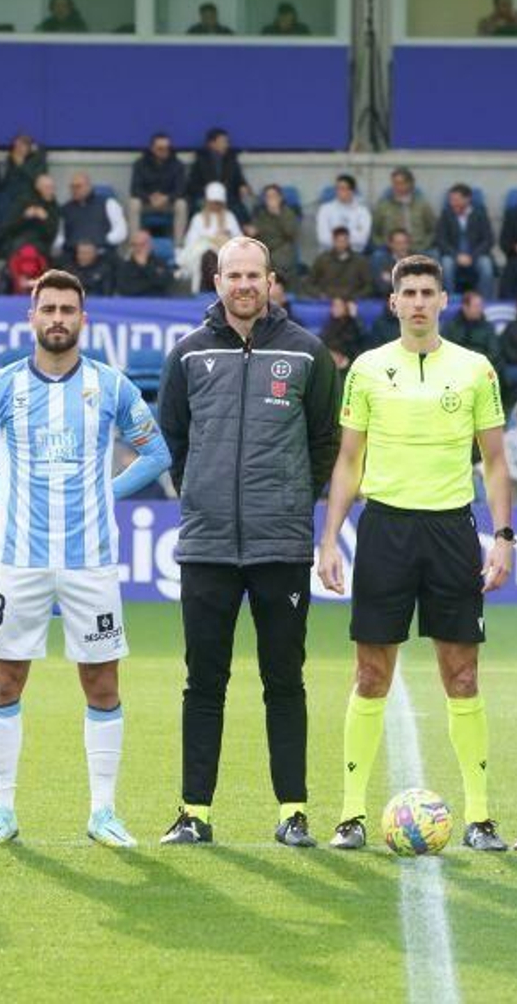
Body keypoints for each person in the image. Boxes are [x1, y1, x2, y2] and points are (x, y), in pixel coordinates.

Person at [0, 269, 170, 848]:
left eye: (67, 310)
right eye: (47, 309)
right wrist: (6, 491)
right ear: (31, 317)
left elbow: (157, 452)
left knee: (101, 683)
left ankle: (103, 812)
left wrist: (108, 492)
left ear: (82, 318)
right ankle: (1, 811)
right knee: (5, 680)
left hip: (90, 561)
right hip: (20, 560)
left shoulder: (112, 385)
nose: (57, 319)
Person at [318, 254, 513, 853]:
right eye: (410, 292)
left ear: (444, 301)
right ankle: (351, 814)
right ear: (395, 302)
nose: (420, 301)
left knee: (462, 674)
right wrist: (329, 538)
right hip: (384, 532)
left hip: (452, 532)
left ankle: (480, 817)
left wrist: (503, 537)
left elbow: (497, 462)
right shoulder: (369, 370)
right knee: (371, 673)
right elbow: (348, 461)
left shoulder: (476, 368)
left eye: (430, 291)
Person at [156, 237, 341, 846]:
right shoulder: (186, 355)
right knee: (202, 682)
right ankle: (194, 813)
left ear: (271, 280)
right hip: (207, 546)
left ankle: (292, 812)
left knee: (283, 681)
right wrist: (203, 494)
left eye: (253, 274)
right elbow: (174, 443)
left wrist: (292, 499)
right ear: (216, 282)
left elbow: (324, 446)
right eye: (232, 274)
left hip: (280, 546)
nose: (243, 284)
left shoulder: (309, 354)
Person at [434, 184, 496, 297]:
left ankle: (485, 300)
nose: (453, 203)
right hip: (453, 255)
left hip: (476, 254)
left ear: (467, 199)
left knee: (486, 265)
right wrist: (456, 255)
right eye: (451, 200)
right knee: (446, 265)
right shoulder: (446, 213)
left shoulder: (480, 213)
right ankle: (450, 299)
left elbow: (488, 240)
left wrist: (472, 256)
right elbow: (440, 240)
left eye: (456, 200)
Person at [128, 132, 189, 244]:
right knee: (133, 203)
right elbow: (135, 188)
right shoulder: (140, 164)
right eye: (160, 148)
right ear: (152, 148)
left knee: (182, 204)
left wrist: (166, 198)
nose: (164, 151)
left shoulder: (177, 164)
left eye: (167, 148)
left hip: (168, 203)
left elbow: (181, 189)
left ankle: (178, 245)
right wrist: (149, 197)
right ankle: (134, 244)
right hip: (147, 203)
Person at [178, 182, 238, 291]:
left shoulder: (230, 217)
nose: (215, 205)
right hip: (201, 255)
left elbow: (239, 240)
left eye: (217, 202)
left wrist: (224, 238)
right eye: (212, 202)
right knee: (207, 255)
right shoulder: (198, 218)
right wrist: (210, 240)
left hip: (224, 254)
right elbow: (190, 242)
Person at [186, 128, 252, 219]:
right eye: (223, 142)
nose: (226, 145)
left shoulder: (231, 160)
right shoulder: (200, 161)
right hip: (207, 198)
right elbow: (192, 185)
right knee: (197, 207)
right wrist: (209, 193)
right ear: (212, 144)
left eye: (227, 142)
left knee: (241, 209)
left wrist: (243, 186)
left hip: (228, 198)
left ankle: (245, 230)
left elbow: (239, 179)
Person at [56, 173, 127, 257]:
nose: (74, 190)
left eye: (78, 186)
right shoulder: (65, 208)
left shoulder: (108, 203)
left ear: (89, 186)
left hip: (103, 254)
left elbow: (121, 231)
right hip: (73, 256)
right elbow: (59, 236)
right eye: (72, 187)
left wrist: (101, 242)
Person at [0, 172, 60, 261]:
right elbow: (7, 227)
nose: (51, 191)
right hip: (18, 242)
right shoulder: (23, 201)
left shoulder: (53, 205)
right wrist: (24, 217)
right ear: (38, 187)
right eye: (47, 187)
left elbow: (52, 233)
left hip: (41, 245)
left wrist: (46, 219)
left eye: (52, 187)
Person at [372, 167, 437, 252]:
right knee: (377, 257)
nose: (397, 187)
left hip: (417, 248)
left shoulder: (423, 205)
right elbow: (375, 231)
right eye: (395, 183)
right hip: (390, 249)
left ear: (410, 184)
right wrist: (383, 245)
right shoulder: (383, 206)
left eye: (401, 183)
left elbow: (432, 230)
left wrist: (424, 245)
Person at [246, 184, 301, 283]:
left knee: (274, 265)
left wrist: (277, 214)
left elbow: (291, 234)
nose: (271, 199)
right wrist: (252, 232)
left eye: (274, 196)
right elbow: (255, 232)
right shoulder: (261, 215)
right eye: (268, 197)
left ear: (280, 198)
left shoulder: (288, 213)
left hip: (282, 251)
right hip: (264, 250)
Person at [305, 226, 373, 301]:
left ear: (348, 241)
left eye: (344, 241)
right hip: (326, 301)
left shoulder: (360, 261)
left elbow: (369, 286)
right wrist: (320, 294)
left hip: (351, 302)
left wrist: (356, 297)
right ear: (333, 241)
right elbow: (309, 284)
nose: (341, 244)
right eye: (338, 241)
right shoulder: (322, 260)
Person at [442, 290, 502, 371]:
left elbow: (494, 352)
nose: (480, 310)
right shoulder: (451, 326)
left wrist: (478, 362)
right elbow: (443, 350)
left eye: (481, 306)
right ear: (465, 307)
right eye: (476, 306)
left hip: (481, 368)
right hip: (457, 367)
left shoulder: (488, 327)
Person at [315, 174, 372, 253]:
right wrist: (347, 239)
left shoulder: (362, 211)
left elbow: (362, 239)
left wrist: (337, 239)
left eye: (343, 188)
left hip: (354, 255)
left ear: (352, 191)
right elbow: (323, 238)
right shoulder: (325, 209)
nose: (339, 192)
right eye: (337, 188)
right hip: (329, 254)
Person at [115, 230, 175, 295]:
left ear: (150, 245)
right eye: (134, 245)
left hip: (157, 301)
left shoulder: (160, 263)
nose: (138, 248)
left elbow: (166, 283)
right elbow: (125, 289)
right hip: (134, 302)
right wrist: (151, 282)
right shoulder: (124, 266)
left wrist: (145, 267)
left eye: (142, 244)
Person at [0, 132, 48, 211]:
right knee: (2, 197)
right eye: (16, 147)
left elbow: (38, 180)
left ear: (29, 147)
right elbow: (6, 182)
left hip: (30, 193)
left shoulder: (37, 159)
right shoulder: (12, 158)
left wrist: (21, 166)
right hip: (13, 195)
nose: (17, 149)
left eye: (20, 146)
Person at [320, 295, 367, 366]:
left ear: (346, 308)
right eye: (334, 306)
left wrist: (355, 317)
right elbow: (323, 341)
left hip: (349, 362)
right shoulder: (329, 323)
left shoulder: (353, 324)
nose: (335, 309)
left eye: (339, 306)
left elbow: (362, 339)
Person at [373, 228, 414, 297]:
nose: (402, 247)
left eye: (405, 243)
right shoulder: (382, 262)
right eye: (398, 243)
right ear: (390, 244)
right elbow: (382, 288)